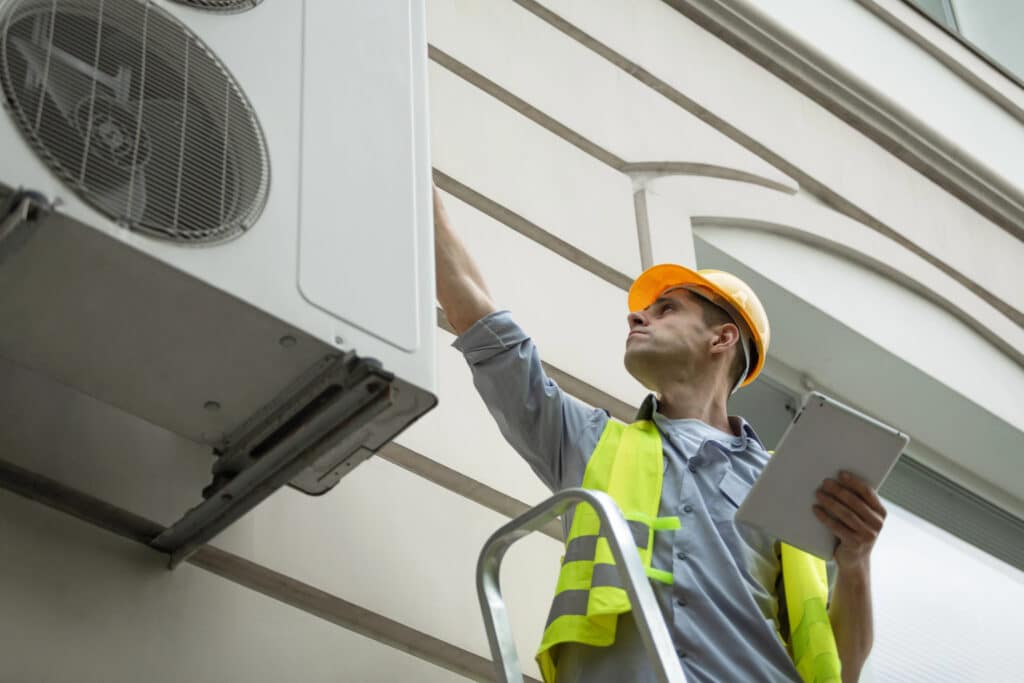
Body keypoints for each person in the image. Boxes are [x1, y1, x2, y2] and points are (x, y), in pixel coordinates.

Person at [434, 186, 885, 683]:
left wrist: (856, 560)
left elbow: (840, 669)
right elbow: (480, 323)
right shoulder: (590, 442)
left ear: (722, 337)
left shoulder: (787, 482)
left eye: (667, 308)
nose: (636, 315)